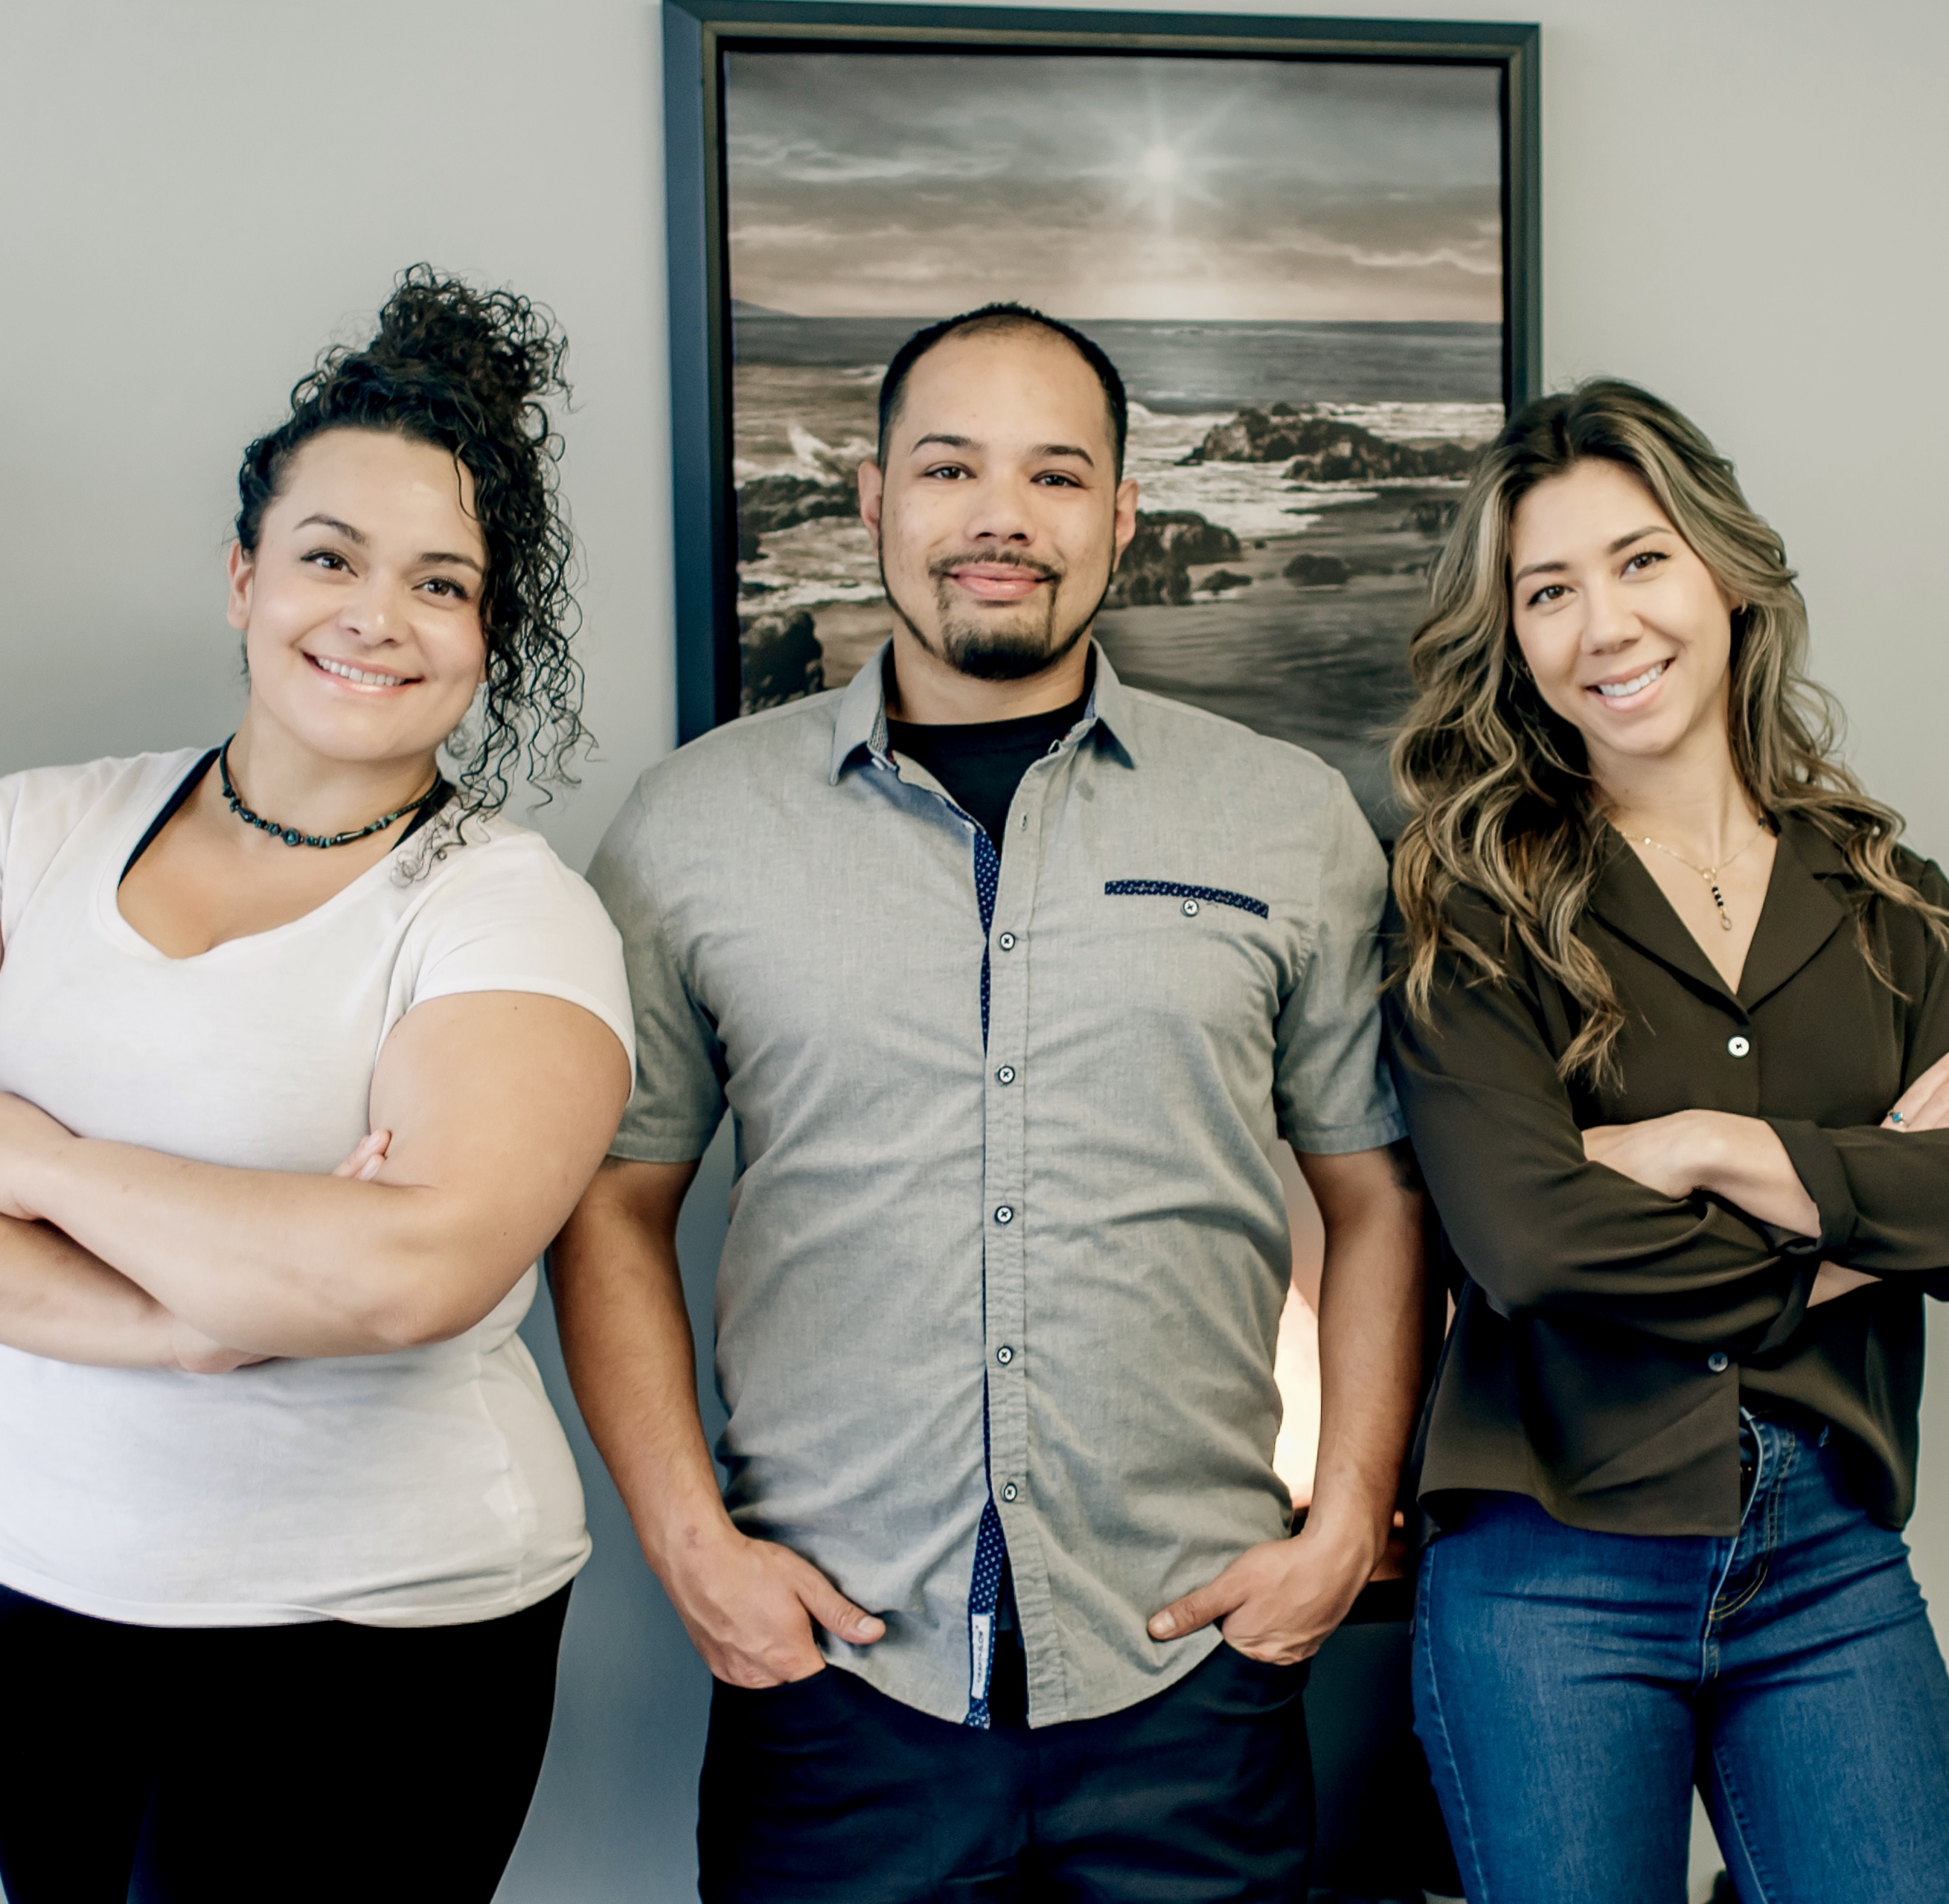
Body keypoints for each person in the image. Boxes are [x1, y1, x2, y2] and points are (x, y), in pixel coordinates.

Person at [0, 271, 634, 1904]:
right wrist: (187, 1319)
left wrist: (28, 1158)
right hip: (41, 1572)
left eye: (440, 583)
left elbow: (409, 1275)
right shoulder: (23, 832)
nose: (375, 615)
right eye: (328, 557)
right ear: (244, 580)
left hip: (374, 1620)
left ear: (486, 636)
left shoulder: (507, 908)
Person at [557, 302, 1427, 1903]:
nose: (1000, 519)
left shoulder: (1284, 820)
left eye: (1054, 474)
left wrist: (1346, 1526)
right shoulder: (692, 828)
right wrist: (692, 1547)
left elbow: (1378, 1196)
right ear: (872, 500)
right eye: (950, 468)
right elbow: (615, 1202)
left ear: (1122, 517)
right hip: (830, 1685)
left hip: (1193, 1682)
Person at [1381, 379, 1949, 1904]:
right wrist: (1856, 1210)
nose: (1602, 626)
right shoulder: (1471, 904)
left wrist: (1698, 1143)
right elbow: (1534, 1246)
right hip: (1550, 1566)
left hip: (1822, 1547)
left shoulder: (1888, 895)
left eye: (1638, 562)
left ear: (1725, 575)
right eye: (1545, 593)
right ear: (1514, 644)